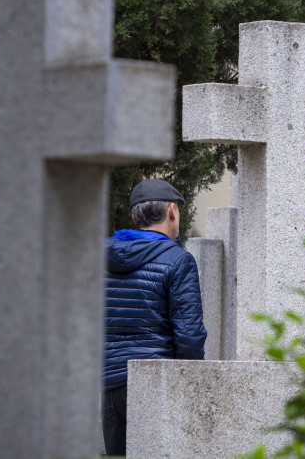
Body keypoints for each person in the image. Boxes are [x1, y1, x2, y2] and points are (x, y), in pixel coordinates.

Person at [101, 179, 207, 455]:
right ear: (172, 210)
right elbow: (190, 336)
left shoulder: (100, 255)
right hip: (156, 380)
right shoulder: (178, 260)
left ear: (134, 217)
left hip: (110, 383)